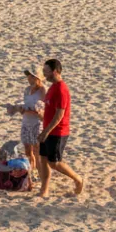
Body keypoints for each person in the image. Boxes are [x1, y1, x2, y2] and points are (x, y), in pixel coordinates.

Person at [38, 59, 85, 197]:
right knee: (43, 159)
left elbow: (59, 115)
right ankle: (44, 190)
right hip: (47, 129)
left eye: (46, 71)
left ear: (55, 71)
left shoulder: (61, 89)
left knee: (54, 163)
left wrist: (46, 132)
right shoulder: (52, 87)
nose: (44, 74)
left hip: (57, 132)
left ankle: (78, 179)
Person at [7, 69, 46, 182]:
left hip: (37, 124)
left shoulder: (43, 90)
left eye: (32, 77)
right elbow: (23, 109)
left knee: (37, 152)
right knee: (28, 151)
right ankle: (31, 174)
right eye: (29, 77)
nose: (30, 79)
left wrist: (35, 111)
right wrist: (20, 109)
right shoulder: (27, 90)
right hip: (26, 123)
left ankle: (42, 176)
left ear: (39, 78)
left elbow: (44, 112)